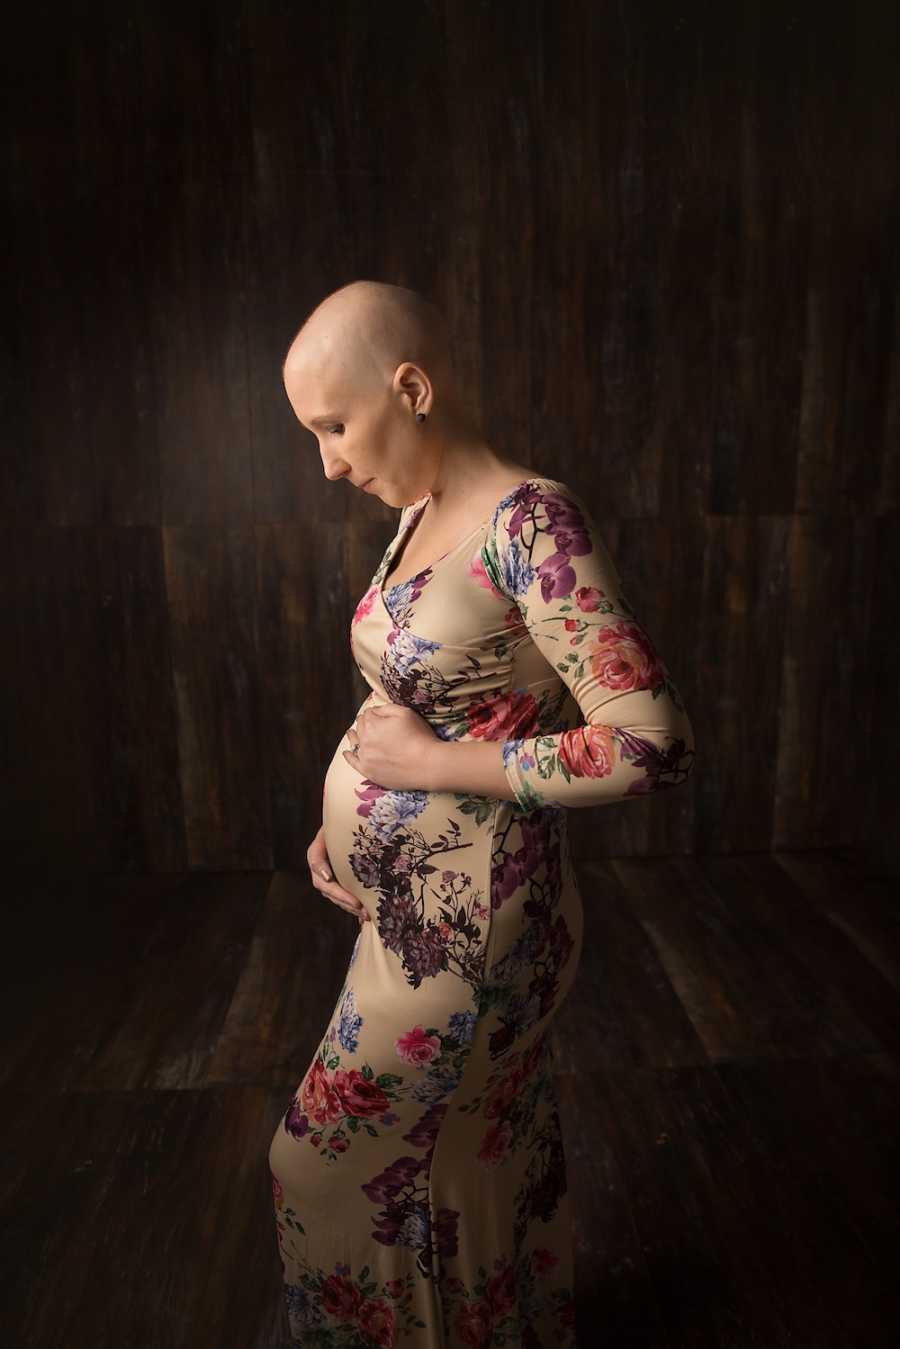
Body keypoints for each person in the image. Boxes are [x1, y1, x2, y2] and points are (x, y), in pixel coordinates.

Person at [267, 280, 696, 1347]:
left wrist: (434, 762)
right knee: (464, 1163)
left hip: (479, 929)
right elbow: (418, 689)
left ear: (409, 387)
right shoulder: (415, 508)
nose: (326, 461)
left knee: (315, 1162)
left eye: (334, 425)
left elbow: (649, 737)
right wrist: (351, 810)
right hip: (412, 911)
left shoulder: (528, 520)